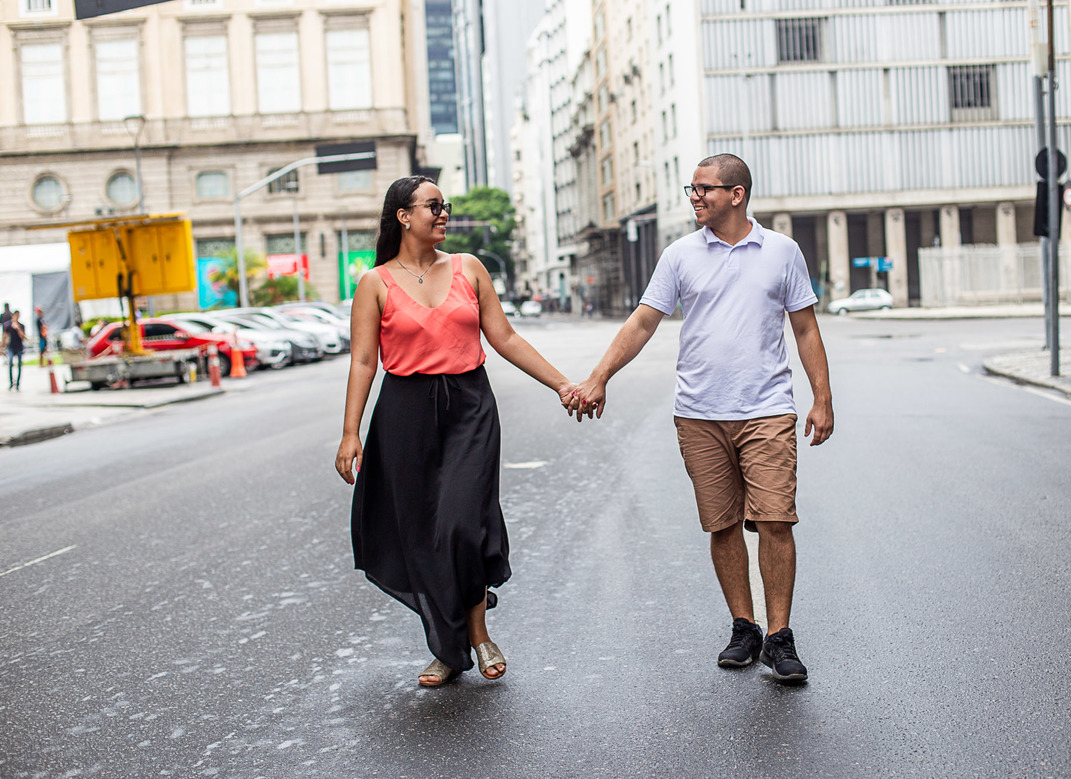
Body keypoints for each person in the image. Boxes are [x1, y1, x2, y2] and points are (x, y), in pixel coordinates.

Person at [568, 154, 834, 685]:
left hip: (767, 408)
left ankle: (780, 637)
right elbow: (644, 322)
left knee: (776, 520)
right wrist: (599, 376)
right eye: (691, 189)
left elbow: (805, 328)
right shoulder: (679, 255)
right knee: (722, 523)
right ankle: (745, 627)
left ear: (736, 194)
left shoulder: (782, 251)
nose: (694, 197)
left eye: (704, 189)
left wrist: (822, 398)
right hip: (699, 413)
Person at [335, 176, 576, 688]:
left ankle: (478, 630)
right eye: (433, 206)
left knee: (462, 523)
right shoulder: (375, 282)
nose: (444, 213)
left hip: (469, 407)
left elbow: (505, 337)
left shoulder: (470, 268)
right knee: (421, 534)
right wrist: (350, 432)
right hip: (404, 414)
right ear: (403, 216)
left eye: (446, 205)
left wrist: (561, 384)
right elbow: (362, 361)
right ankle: (447, 649)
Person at [6, 310, 26, 391]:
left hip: (19, 347)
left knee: (19, 366)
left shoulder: (21, 326)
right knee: (10, 364)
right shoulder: (8, 326)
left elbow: (23, 337)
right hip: (11, 347)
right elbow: (5, 336)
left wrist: (17, 328)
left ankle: (18, 383)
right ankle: (11, 383)